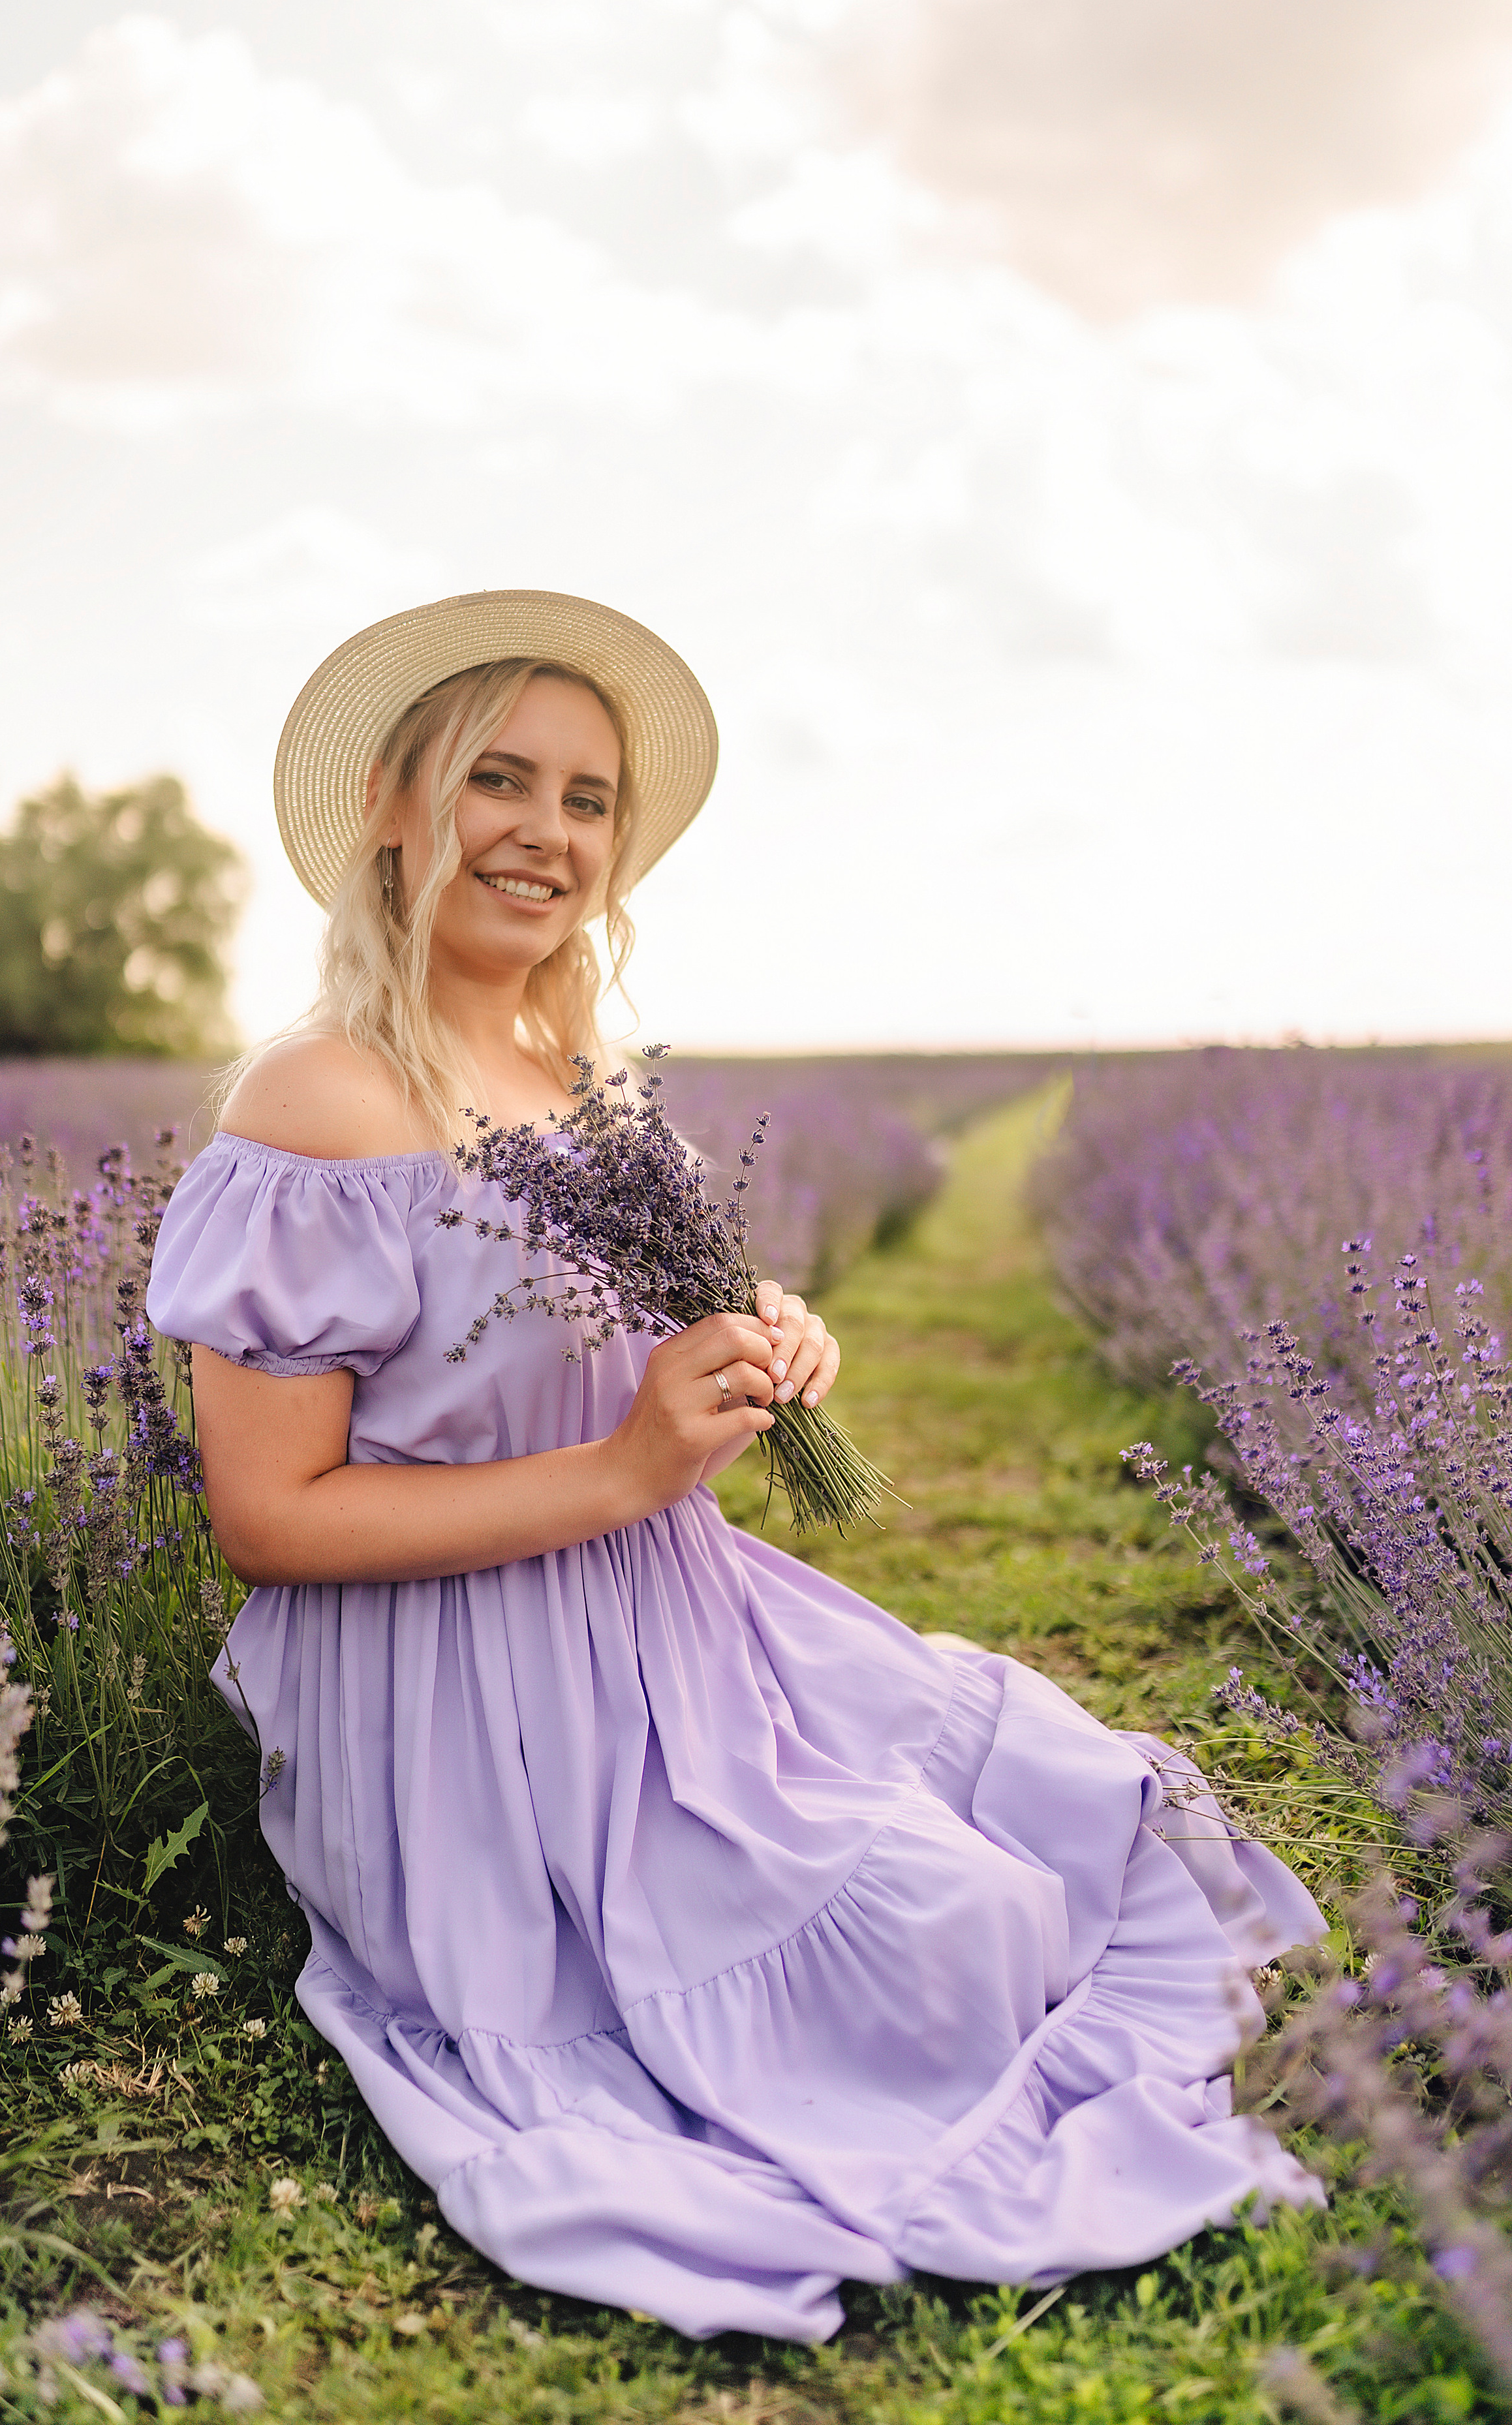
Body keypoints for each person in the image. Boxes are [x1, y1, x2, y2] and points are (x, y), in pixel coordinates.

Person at [147, 589, 1326, 2343]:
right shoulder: (317, 1104)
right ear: (396, 804)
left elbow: (621, 1331)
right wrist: (627, 1470)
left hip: (668, 1627)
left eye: (588, 799)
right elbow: (270, 1519)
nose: (546, 831)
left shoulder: (577, 1066)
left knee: (1029, 1848)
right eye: (500, 779)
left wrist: (762, 1331)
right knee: (942, 1946)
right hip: (471, 1699)